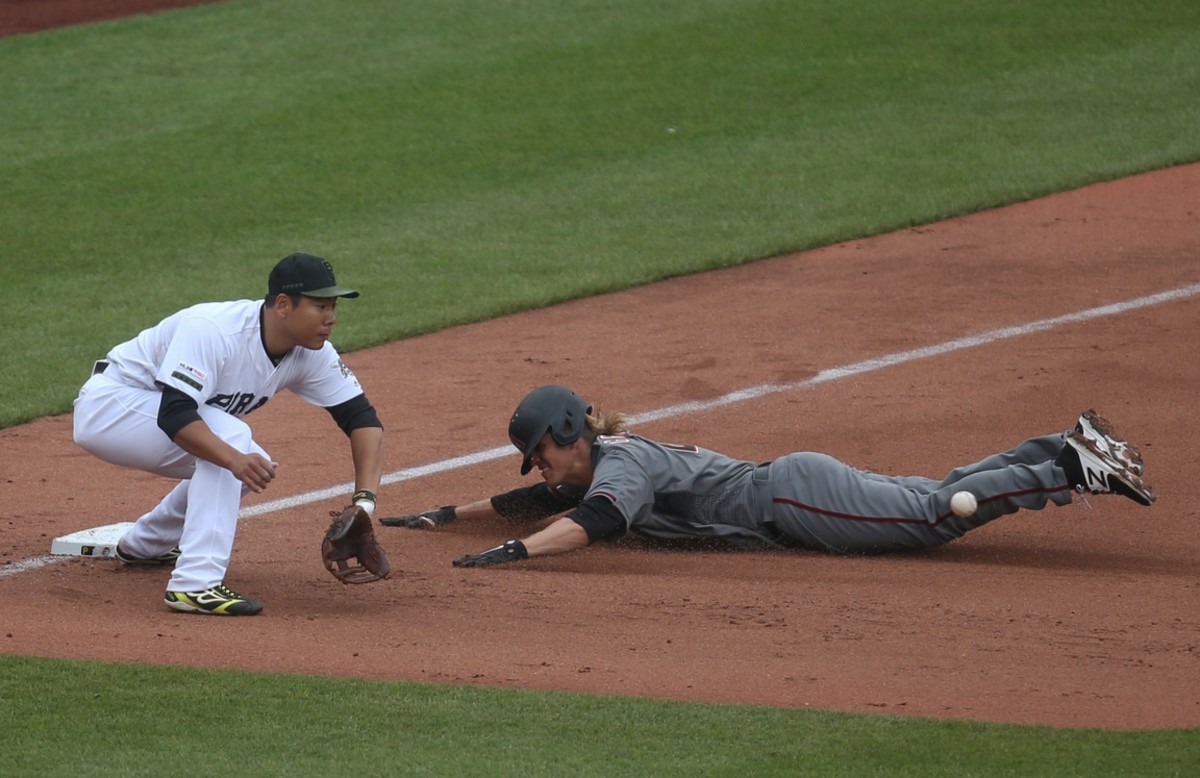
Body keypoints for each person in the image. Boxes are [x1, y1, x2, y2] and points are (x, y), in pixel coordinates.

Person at [380, 385, 1154, 567]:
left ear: (565, 434)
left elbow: (602, 523)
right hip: (795, 487)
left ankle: (1066, 466)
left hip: (794, 499)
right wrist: (446, 516)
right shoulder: (596, 466)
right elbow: (532, 500)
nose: (541, 470)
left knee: (931, 517)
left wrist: (515, 556)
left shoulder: (622, 464)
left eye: (542, 453)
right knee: (931, 490)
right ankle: (1061, 443)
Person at [72, 253, 385, 615]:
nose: (330, 318)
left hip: (154, 411)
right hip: (111, 405)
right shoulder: (214, 329)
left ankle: (145, 545)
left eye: (333, 307)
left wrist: (364, 502)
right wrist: (233, 459)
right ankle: (195, 585)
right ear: (283, 305)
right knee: (233, 445)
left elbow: (361, 419)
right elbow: (175, 415)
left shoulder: (311, 353)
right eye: (320, 307)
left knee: (251, 461)